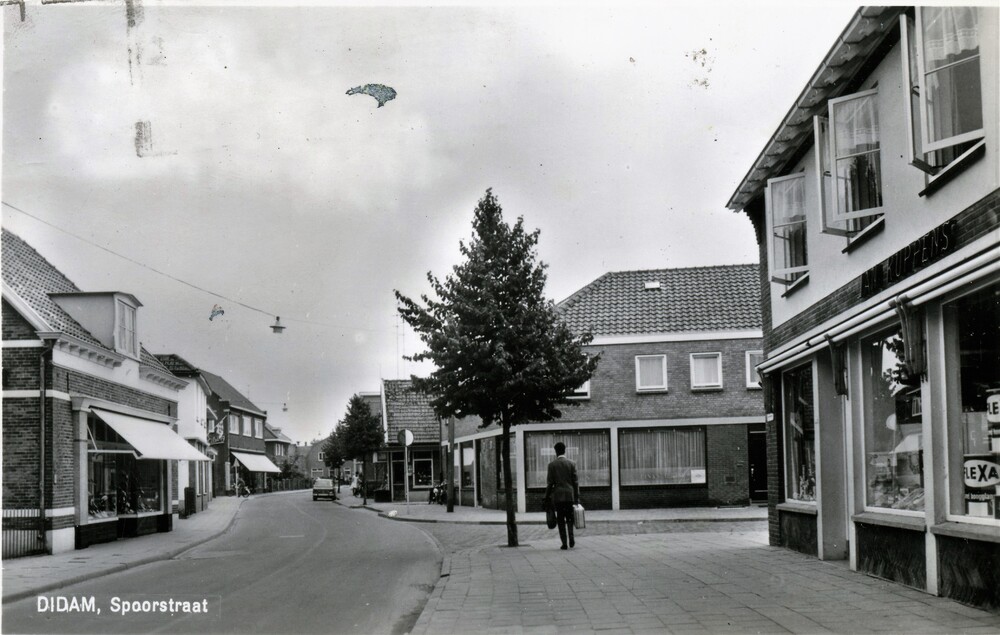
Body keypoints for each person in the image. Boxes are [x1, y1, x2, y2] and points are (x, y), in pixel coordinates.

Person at [545, 441, 580, 550]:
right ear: (565, 450)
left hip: (558, 497)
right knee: (570, 518)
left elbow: (550, 483)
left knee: (560, 519)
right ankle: (571, 538)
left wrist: (546, 497)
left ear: (556, 451)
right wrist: (577, 497)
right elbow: (575, 482)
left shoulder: (552, 465)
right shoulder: (572, 463)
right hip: (569, 496)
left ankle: (564, 543)